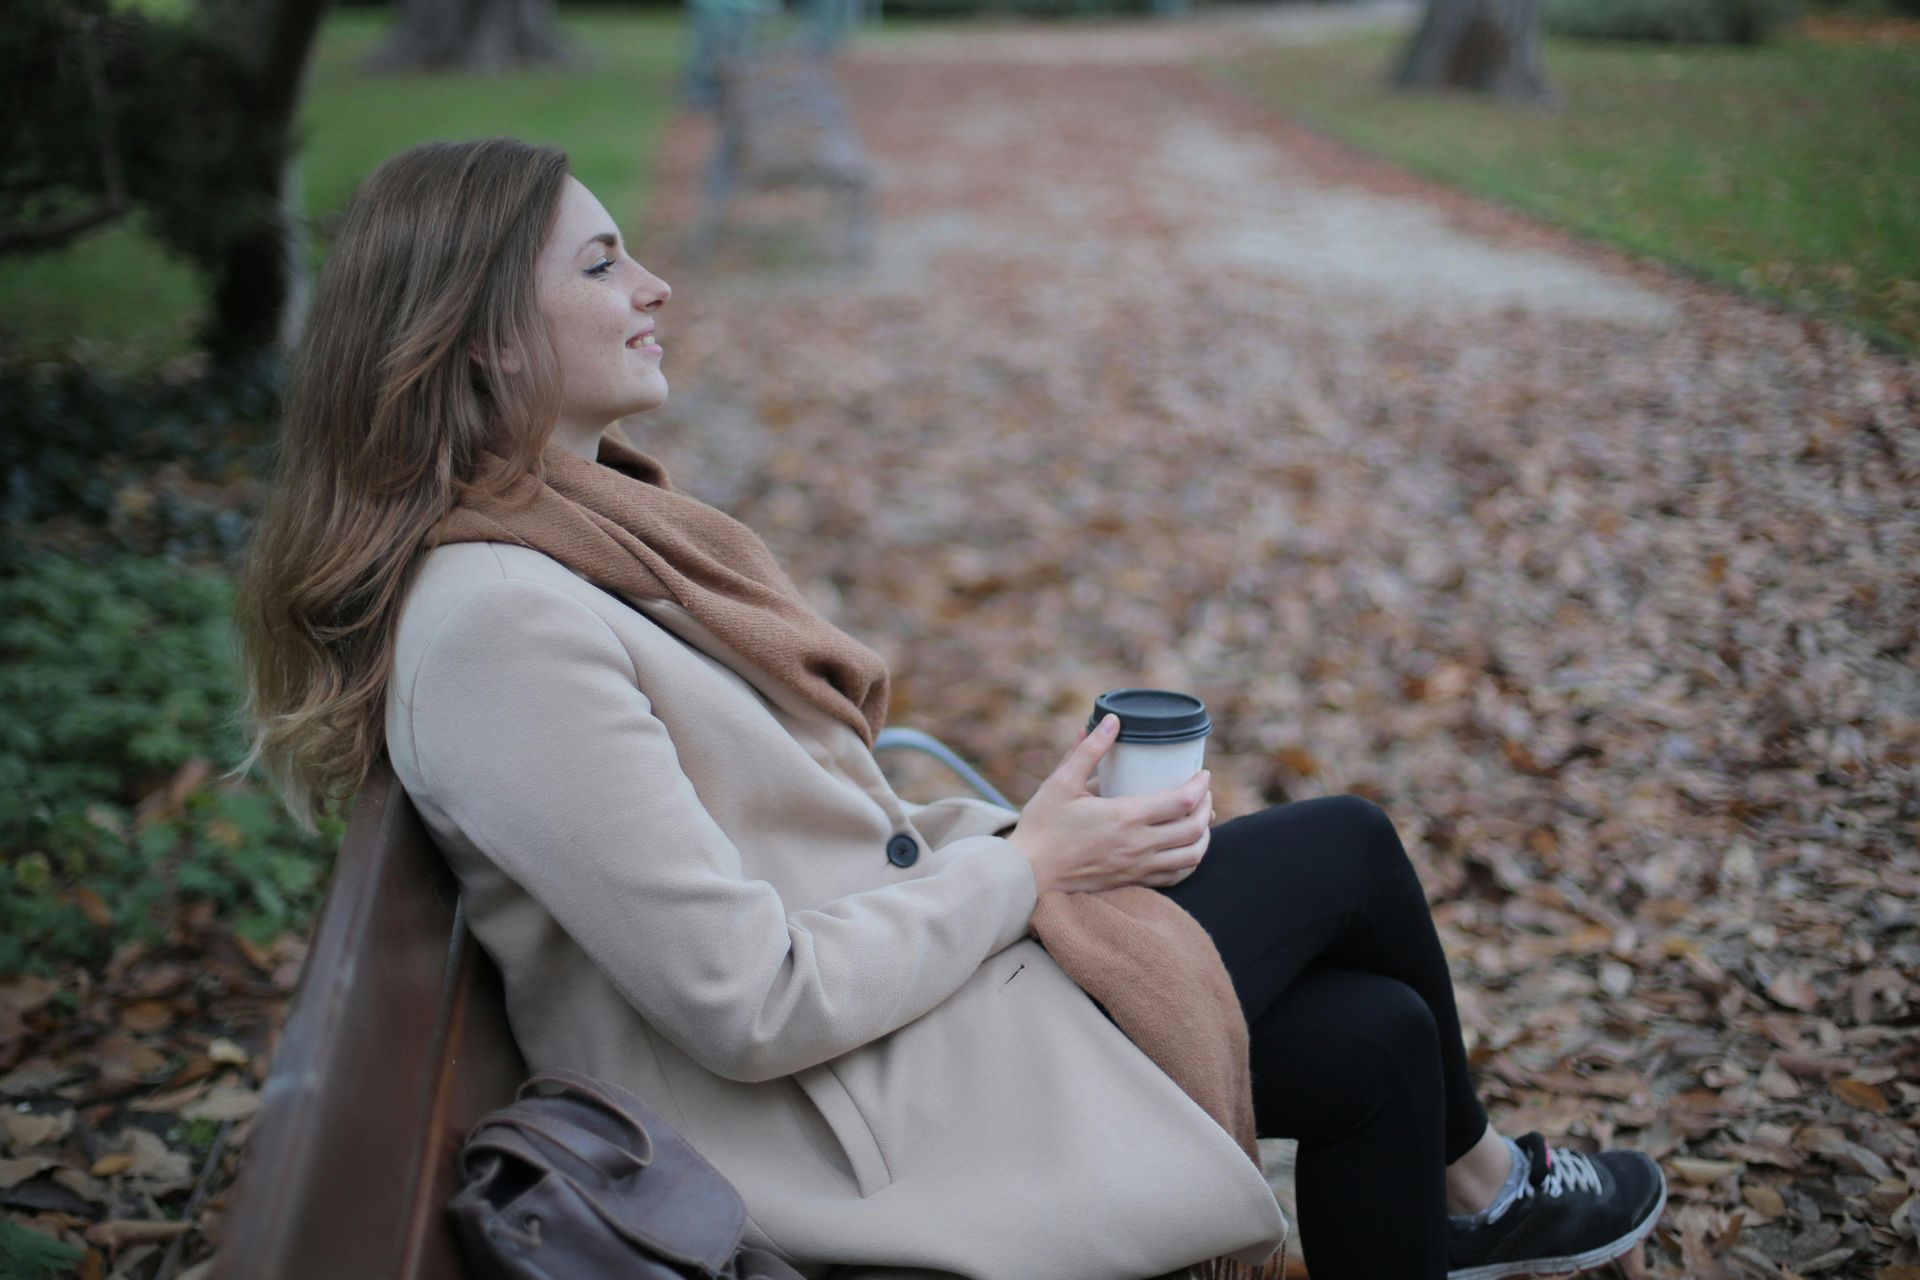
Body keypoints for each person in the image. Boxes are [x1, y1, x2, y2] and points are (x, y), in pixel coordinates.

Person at [236, 137, 1666, 1280]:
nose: (657, 283)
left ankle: (1477, 1192)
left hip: (894, 1027)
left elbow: (801, 842)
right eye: (606, 263)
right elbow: (749, 1000)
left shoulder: (580, 541)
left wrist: (1022, 840)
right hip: (832, 1107)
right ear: (477, 338)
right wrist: (1029, 868)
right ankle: (1485, 1194)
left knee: (1376, 1047)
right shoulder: (499, 624)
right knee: (1348, 847)